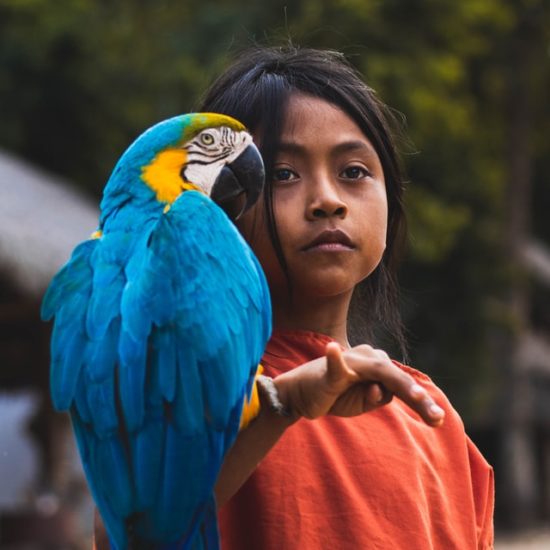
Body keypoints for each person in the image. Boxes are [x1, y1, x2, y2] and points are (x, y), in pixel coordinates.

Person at [95, 46, 494, 549]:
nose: (328, 199)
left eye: (354, 172)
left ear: (392, 204)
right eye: (283, 174)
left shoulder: (432, 416)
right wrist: (281, 405)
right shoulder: (189, 386)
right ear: (220, 205)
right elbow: (127, 535)